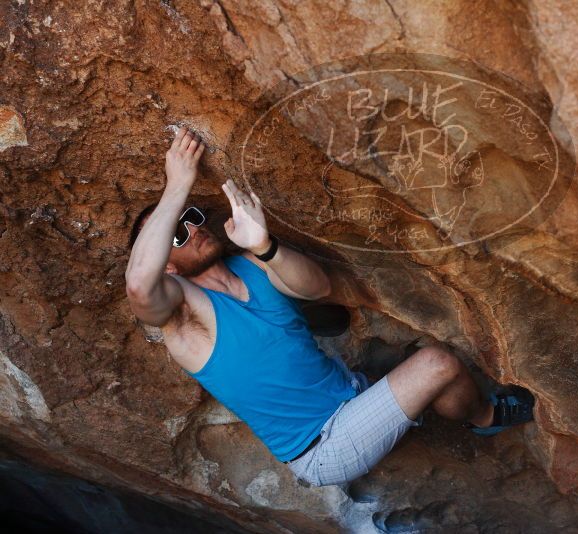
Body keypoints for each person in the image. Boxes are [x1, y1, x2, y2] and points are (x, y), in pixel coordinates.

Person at [125, 127, 534, 487]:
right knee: (436, 364)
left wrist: (264, 246)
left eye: (190, 217)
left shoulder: (247, 264)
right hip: (323, 447)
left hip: (351, 392)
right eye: (177, 232)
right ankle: (486, 418)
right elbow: (141, 285)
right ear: (168, 267)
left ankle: (449, 410)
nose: (193, 228)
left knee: (431, 372)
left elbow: (317, 286)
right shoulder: (183, 317)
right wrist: (177, 185)